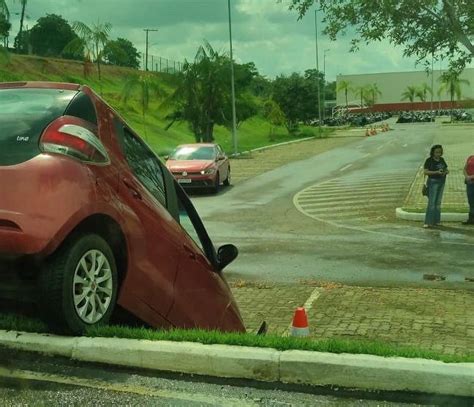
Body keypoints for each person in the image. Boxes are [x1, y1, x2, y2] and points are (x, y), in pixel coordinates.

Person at [423, 145, 449, 228]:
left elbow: (446, 169)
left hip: (441, 181)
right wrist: (436, 172)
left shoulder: (442, 159)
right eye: (437, 152)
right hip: (433, 182)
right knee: (432, 203)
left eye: (440, 152)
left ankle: (437, 221)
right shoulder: (429, 160)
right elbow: (426, 172)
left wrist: (445, 172)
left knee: (438, 202)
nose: (438, 154)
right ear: (433, 152)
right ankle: (428, 222)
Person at [463, 155, 474, 225]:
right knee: (471, 201)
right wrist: (467, 177)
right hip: (469, 183)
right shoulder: (471, 157)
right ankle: (471, 219)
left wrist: (471, 177)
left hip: (471, 180)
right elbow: (464, 168)